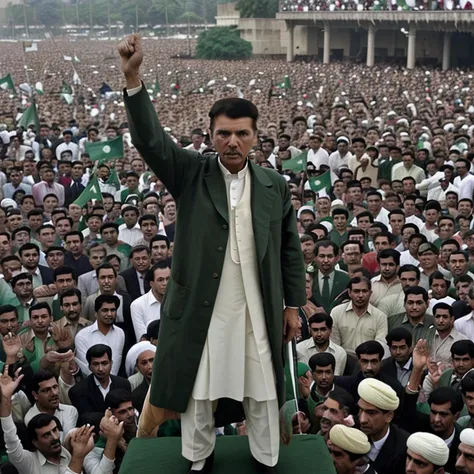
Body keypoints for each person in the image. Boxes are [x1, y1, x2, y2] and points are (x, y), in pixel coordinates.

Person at [120, 34, 306, 473]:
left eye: (242, 134)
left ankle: (266, 457)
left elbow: (290, 248)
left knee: (262, 384)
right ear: (210, 134)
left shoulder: (274, 185)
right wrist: (133, 79)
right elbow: (150, 142)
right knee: (199, 389)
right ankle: (197, 459)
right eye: (224, 133)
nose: (232, 142)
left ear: (256, 136)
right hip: (204, 305)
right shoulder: (190, 172)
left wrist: (294, 304)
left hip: (257, 304)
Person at [0, 364, 95, 474]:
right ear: (34, 442)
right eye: (46, 435)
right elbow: (11, 438)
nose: (55, 438)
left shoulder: (67, 453)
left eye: (55, 430)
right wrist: (5, 399)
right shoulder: (27, 462)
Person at [68, 344, 131, 424]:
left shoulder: (123, 384)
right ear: (89, 366)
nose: (100, 369)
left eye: (104, 363)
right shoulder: (78, 390)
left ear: (111, 363)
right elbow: (85, 418)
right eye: (96, 364)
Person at [357, 378, 408, 474]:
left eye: (371, 413)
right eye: (360, 410)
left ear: (389, 416)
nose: (362, 420)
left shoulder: (404, 449)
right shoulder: (352, 429)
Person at [330, 277, 387, 353]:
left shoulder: (380, 316)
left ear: (370, 293)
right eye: (356, 291)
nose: (360, 295)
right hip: (343, 358)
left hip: (368, 360)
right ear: (349, 293)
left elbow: (380, 345)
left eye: (364, 291)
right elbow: (334, 344)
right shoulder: (337, 312)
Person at [75, 294, 125, 376]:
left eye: (112, 310)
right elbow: (87, 368)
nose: (109, 314)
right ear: (96, 313)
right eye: (105, 310)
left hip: (114, 384)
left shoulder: (120, 333)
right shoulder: (82, 336)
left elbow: (115, 363)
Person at [24, 370, 78, 442]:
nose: (54, 393)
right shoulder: (31, 419)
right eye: (46, 390)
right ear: (35, 395)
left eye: (55, 387)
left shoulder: (70, 411)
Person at [130, 261, 170, 342]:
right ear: (151, 283)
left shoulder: (179, 302)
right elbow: (143, 340)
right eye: (160, 280)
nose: (165, 283)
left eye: (168, 279)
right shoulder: (138, 305)